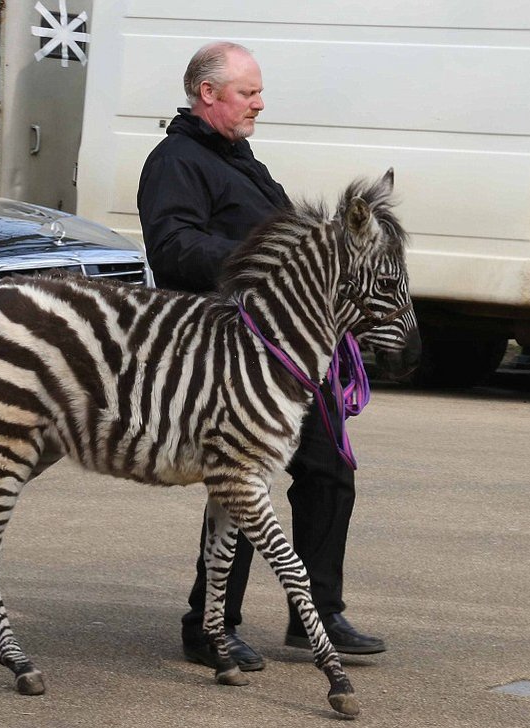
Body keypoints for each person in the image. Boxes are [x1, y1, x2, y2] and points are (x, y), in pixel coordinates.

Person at [137, 41, 386, 672]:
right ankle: (209, 625)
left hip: (293, 350)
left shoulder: (239, 158)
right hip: (231, 353)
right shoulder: (175, 161)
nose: (259, 102)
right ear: (208, 93)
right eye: (248, 92)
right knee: (244, 485)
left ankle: (319, 615)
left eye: (257, 91)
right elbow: (172, 250)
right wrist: (271, 268)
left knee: (330, 472)